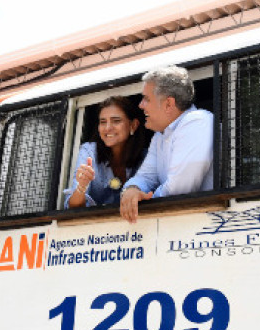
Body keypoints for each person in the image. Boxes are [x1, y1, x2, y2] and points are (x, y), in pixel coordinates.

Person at [120, 66, 214, 224]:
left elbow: (179, 190)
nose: (141, 105)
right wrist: (132, 190)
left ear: (169, 104)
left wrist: (143, 202)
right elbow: (145, 177)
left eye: (146, 99)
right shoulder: (159, 135)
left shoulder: (197, 121)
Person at [64, 96, 148, 209]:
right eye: (103, 122)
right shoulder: (89, 152)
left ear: (133, 125)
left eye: (116, 121)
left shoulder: (146, 157)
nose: (108, 128)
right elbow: (72, 208)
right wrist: (81, 187)